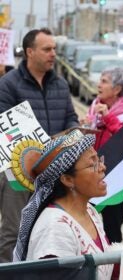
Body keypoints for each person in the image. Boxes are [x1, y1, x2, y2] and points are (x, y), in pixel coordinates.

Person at [12, 129, 123, 280]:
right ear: (67, 179)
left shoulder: (90, 211)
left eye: (99, 159)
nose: (102, 167)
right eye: (92, 164)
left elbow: (104, 265)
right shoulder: (55, 229)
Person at [0, 28, 79, 263]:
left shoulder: (61, 85)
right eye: (47, 49)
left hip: (54, 170)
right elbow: (4, 124)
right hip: (17, 172)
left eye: (54, 49)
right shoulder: (8, 84)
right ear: (30, 52)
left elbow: (70, 117)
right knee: (13, 232)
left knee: (46, 229)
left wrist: (73, 132)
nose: (53, 54)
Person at [81, 67, 123, 244]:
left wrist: (108, 117)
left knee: (113, 226)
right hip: (93, 173)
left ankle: (114, 266)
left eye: (104, 81)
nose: (99, 85)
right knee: (88, 222)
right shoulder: (95, 106)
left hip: (116, 176)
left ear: (117, 89)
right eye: (100, 80)